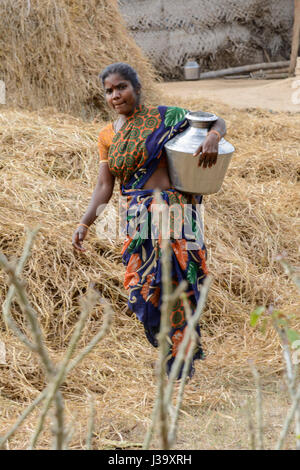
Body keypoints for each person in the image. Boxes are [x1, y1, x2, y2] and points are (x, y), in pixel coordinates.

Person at [72, 62, 226, 378]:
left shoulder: (167, 117)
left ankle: (180, 366)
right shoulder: (106, 135)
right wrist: (85, 223)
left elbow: (217, 121)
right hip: (139, 222)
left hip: (176, 215)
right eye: (109, 91)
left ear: (137, 88)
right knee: (144, 290)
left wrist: (211, 136)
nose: (116, 95)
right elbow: (104, 186)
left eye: (121, 87)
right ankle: (169, 350)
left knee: (178, 285)